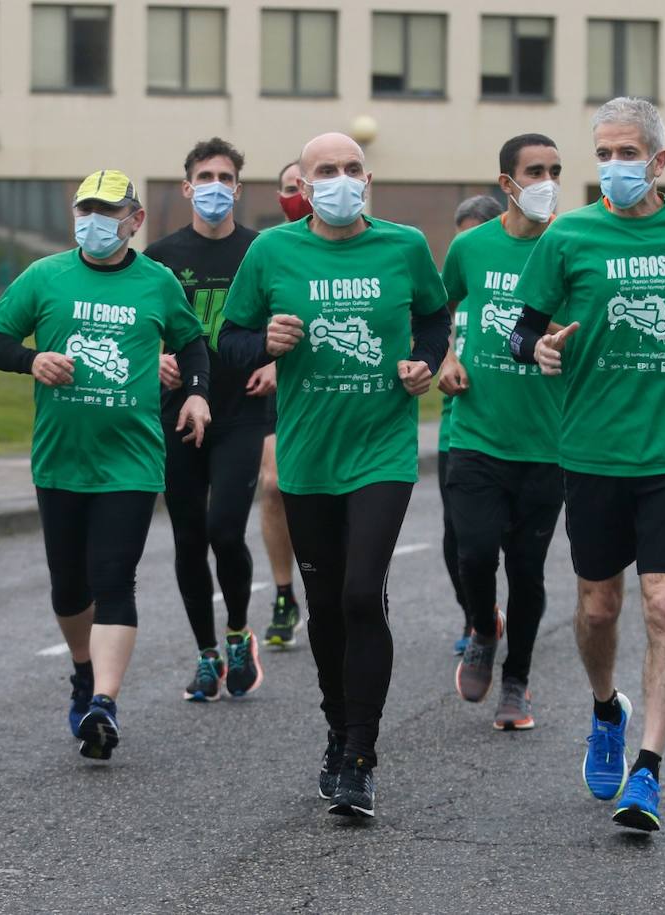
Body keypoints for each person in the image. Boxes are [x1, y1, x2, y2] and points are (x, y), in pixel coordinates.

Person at [508, 98, 665, 832]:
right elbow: (523, 331)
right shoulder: (569, 235)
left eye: (626, 154)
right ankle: (606, 707)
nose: (612, 167)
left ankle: (648, 770)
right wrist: (536, 351)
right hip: (593, 447)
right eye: (602, 154)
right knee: (599, 604)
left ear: (658, 162)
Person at [218, 133, 450, 818]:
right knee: (325, 607)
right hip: (309, 454)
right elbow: (229, 341)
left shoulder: (403, 245)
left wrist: (423, 360)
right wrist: (265, 342)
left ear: (368, 178)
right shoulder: (273, 252)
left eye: (353, 169)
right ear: (304, 184)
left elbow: (435, 318)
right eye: (328, 171)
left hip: (381, 449)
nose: (342, 180)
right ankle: (336, 726)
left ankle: (360, 754)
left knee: (359, 593)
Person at [0, 169, 211, 761]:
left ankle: (104, 704)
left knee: (114, 578)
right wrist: (32, 361)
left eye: (109, 212)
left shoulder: (157, 282)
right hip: (61, 457)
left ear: (135, 221)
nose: (95, 221)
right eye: (86, 209)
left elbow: (191, 342)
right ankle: (83, 672)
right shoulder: (45, 276)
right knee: (68, 586)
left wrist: (195, 391)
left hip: (131, 458)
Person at [441, 137, 566, 732]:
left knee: (527, 570)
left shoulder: (569, 247)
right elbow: (432, 310)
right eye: (535, 171)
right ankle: (482, 627)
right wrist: (444, 358)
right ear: (507, 182)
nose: (547, 181)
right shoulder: (471, 247)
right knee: (472, 551)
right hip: (476, 433)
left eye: (555, 171)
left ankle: (516, 681)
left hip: (547, 440)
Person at [144, 138, 272, 701]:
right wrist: (154, 359)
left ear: (238, 189)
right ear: (186, 186)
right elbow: (136, 326)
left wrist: (276, 363)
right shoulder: (161, 256)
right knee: (189, 538)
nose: (215, 185)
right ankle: (206, 653)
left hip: (243, 409)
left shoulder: (263, 250)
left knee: (225, 528)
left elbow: (291, 317)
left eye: (225, 176)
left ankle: (240, 631)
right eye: (205, 175)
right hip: (176, 414)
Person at [437, 194, 505, 659]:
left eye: (473, 234)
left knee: (505, 536)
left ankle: (502, 615)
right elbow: (428, 322)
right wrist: (445, 358)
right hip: (454, 427)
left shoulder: (504, 283)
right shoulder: (455, 287)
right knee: (458, 535)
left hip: (510, 421)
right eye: (459, 235)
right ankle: (474, 614)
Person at [254, 159, 312, 648]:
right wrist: (265, 354)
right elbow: (243, 319)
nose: (297, 194)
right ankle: (283, 593)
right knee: (273, 485)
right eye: (288, 188)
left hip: (335, 392)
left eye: (303, 185)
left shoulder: (356, 244)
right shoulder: (268, 247)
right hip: (274, 390)